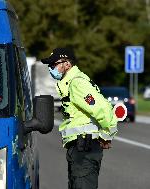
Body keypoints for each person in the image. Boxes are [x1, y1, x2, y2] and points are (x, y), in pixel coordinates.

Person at [41, 48, 118, 189]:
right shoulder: (70, 84)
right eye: (49, 66)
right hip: (79, 149)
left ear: (67, 64)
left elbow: (104, 110)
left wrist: (107, 135)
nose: (51, 68)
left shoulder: (77, 83)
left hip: (85, 149)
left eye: (54, 64)